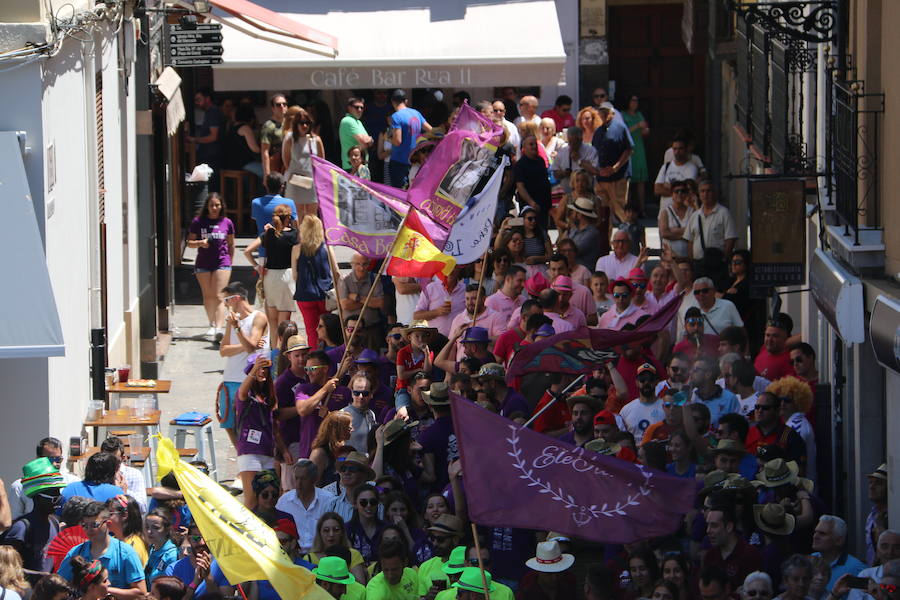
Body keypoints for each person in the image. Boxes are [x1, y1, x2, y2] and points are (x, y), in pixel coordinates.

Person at [58, 501, 146, 598]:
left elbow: (141, 593)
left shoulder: (125, 553)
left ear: (108, 524)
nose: (89, 529)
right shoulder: (76, 553)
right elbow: (59, 586)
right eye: (84, 525)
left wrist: (104, 589)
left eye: (94, 525)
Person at [218, 282, 269, 448]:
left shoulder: (258, 317)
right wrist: (245, 345)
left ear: (237, 298)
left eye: (227, 300)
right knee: (228, 422)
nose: (225, 305)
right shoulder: (231, 321)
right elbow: (224, 350)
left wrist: (238, 329)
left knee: (249, 422)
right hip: (230, 378)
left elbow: (250, 346)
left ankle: (250, 455)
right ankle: (241, 454)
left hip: (248, 378)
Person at [235, 353, 290, 509]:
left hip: (268, 453)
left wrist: (284, 450)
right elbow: (242, 392)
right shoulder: (244, 396)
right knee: (252, 500)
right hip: (250, 452)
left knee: (270, 499)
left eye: (265, 368)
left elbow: (274, 428)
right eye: (259, 368)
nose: (262, 371)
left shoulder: (268, 397)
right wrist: (255, 369)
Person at [243, 203, 298, 350]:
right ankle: (283, 356)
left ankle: (274, 356)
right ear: (288, 217)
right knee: (284, 324)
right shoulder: (294, 234)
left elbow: (247, 251)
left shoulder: (268, 233)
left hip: (270, 277)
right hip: (287, 277)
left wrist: (257, 266)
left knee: (272, 323)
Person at [0, 457, 65, 578]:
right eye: (53, 496)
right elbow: (7, 568)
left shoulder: (55, 523)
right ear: (37, 498)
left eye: (59, 494)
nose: (58, 500)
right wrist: (43, 576)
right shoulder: (21, 528)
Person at [187, 193, 235, 339]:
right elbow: (189, 243)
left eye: (217, 205)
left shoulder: (227, 222)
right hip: (203, 263)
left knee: (220, 296)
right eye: (212, 205)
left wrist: (229, 261)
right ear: (207, 207)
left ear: (221, 206)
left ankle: (219, 328)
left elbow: (231, 243)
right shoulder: (198, 222)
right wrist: (201, 243)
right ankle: (212, 324)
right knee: (208, 297)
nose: (214, 208)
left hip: (222, 262)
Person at [581, 103, 633, 223]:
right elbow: (595, 152)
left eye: (606, 112)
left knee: (620, 210)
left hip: (618, 176)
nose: (603, 114)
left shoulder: (620, 128)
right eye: (601, 112)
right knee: (603, 213)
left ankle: (628, 236)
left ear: (612, 113)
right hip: (601, 178)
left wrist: (615, 167)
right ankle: (605, 240)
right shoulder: (598, 131)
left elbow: (629, 149)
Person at [682, 179, 738, 287]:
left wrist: (724, 259)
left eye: (709, 191)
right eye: (702, 191)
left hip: (717, 264)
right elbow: (690, 240)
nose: (705, 194)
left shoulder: (724, 213)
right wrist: (692, 261)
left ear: (715, 193)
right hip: (699, 265)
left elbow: (730, 239)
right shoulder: (695, 216)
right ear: (699, 194)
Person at [703, 505, 763, 590]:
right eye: (707, 525)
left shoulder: (750, 555)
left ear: (729, 527)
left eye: (714, 525)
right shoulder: (709, 556)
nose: (708, 530)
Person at [282, 106, 324, 222]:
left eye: (307, 123)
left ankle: (312, 239)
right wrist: (296, 178)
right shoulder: (290, 138)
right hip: (296, 179)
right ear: (296, 124)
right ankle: (300, 238)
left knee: (312, 214)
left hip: (312, 180)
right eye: (301, 123)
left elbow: (321, 162)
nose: (304, 126)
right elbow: (286, 160)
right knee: (297, 213)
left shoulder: (316, 139)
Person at [770, 377, 816, 481]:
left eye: (787, 401)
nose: (782, 404)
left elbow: (795, 465)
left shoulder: (796, 426)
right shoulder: (792, 423)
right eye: (779, 400)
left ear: (797, 402)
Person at [304, 513, 367, 583]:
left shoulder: (353, 554)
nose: (331, 534)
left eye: (336, 530)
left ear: (342, 532)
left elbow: (361, 585)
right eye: (326, 530)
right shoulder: (309, 558)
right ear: (320, 533)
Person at [744, 393, 806, 463]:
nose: (760, 411)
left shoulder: (789, 436)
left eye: (765, 408)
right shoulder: (747, 432)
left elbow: (798, 470)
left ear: (777, 411)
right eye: (757, 407)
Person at [388, 89, 431, 188]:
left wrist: (389, 138)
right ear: (406, 101)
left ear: (392, 102)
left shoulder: (396, 117)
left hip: (399, 162)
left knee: (400, 194)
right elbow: (430, 130)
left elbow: (397, 141)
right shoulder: (416, 113)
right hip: (415, 161)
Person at [811, 516, 866, 592]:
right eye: (815, 532)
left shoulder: (856, 569)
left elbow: (863, 596)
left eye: (822, 534)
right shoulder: (808, 561)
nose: (815, 536)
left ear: (839, 540)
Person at [341, 254, 385, 348]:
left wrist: (357, 297)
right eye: (358, 264)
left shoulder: (375, 278)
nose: (361, 268)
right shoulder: (345, 280)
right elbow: (345, 305)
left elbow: (380, 303)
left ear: (369, 265)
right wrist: (369, 301)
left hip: (371, 329)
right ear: (352, 265)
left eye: (364, 264)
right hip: (351, 331)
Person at [678, 278, 743, 340]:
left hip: (726, 350)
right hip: (702, 350)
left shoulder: (728, 305)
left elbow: (741, 331)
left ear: (713, 291)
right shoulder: (692, 310)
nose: (701, 294)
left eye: (704, 291)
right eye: (697, 292)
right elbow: (685, 335)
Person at [417, 514, 465, 596]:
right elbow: (420, 596)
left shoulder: (468, 564)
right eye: (432, 538)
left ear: (455, 540)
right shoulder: (425, 566)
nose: (435, 543)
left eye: (440, 540)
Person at [688, 355, 741, 427]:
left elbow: (735, 429)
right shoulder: (691, 396)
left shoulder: (730, 399)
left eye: (696, 370)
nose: (691, 373)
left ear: (708, 374)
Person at [98, 438, 147, 513]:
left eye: (114, 460)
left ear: (123, 458)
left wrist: (124, 492)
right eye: (106, 459)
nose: (110, 463)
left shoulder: (134, 474)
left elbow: (142, 508)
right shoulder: (96, 474)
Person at [187, 89, 223, 190]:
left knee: (212, 185)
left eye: (199, 99)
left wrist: (195, 140)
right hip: (210, 155)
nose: (197, 103)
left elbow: (213, 136)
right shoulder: (209, 113)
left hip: (213, 156)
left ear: (207, 99)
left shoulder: (213, 112)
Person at [514, 136, 553, 230]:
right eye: (531, 144)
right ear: (524, 147)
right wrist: (532, 203)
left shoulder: (541, 161)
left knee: (544, 231)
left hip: (544, 204)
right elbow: (520, 187)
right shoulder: (520, 165)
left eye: (535, 144)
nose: (534, 146)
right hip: (530, 206)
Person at [251, 174, 298, 250]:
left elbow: (257, 220)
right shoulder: (290, 203)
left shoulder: (256, 202)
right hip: (286, 249)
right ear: (282, 187)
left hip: (264, 249)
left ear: (266, 186)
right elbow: (295, 225)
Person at [620, 363, 665, 440]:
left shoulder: (665, 407)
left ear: (656, 382)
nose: (646, 383)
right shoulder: (626, 410)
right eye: (642, 380)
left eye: (650, 379)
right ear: (637, 382)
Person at [621, 95, 650, 209]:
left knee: (641, 180)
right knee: (628, 180)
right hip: (628, 148)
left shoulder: (639, 115)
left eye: (636, 101)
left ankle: (642, 208)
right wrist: (637, 125)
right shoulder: (623, 115)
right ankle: (627, 209)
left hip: (639, 148)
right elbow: (623, 131)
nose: (634, 103)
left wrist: (645, 130)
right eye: (632, 100)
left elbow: (644, 132)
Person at [105, 496, 148, 568]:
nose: (105, 518)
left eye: (110, 514)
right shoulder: (112, 540)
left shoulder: (133, 547)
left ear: (125, 515)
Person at [341, 373, 378, 455]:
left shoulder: (371, 414)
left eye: (365, 393)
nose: (361, 397)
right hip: (349, 464)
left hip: (366, 463)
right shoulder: (343, 415)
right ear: (351, 393)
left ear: (371, 394)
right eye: (356, 393)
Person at [222, 104, 262, 178]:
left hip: (230, 162)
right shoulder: (245, 128)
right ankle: (260, 190)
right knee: (266, 171)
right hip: (242, 163)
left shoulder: (232, 127)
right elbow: (255, 149)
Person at [658, 180, 695, 259]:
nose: (680, 194)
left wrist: (673, 230)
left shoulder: (692, 212)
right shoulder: (665, 212)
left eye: (683, 191)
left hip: (688, 256)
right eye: (676, 191)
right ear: (672, 194)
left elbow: (694, 232)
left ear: (686, 194)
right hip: (670, 257)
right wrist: (686, 235)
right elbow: (664, 233)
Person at [755, 314, 796, 381]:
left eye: (775, 336)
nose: (770, 340)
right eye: (767, 335)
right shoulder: (764, 348)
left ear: (787, 337)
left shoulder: (790, 361)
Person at [142, 509, 178, 585]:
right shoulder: (152, 549)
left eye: (155, 528)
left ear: (167, 529)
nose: (149, 532)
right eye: (147, 527)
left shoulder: (172, 555)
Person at [339, 98, 373, 170]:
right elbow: (365, 143)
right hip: (352, 167)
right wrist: (368, 140)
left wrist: (369, 141)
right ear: (349, 108)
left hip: (361, 166)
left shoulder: (358, 122)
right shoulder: (348, 121)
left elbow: (370, 143)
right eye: (357, 107)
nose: (360, 110)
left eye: (362, 107)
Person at [260, 93, 287, 178]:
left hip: (287, 165)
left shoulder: (289, 123)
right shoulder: (268, 126)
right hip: (275, 165)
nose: (282, 106)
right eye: (278, 105)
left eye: (284, 104)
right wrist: (267, 174)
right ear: (273, 108)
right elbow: (265, 151)